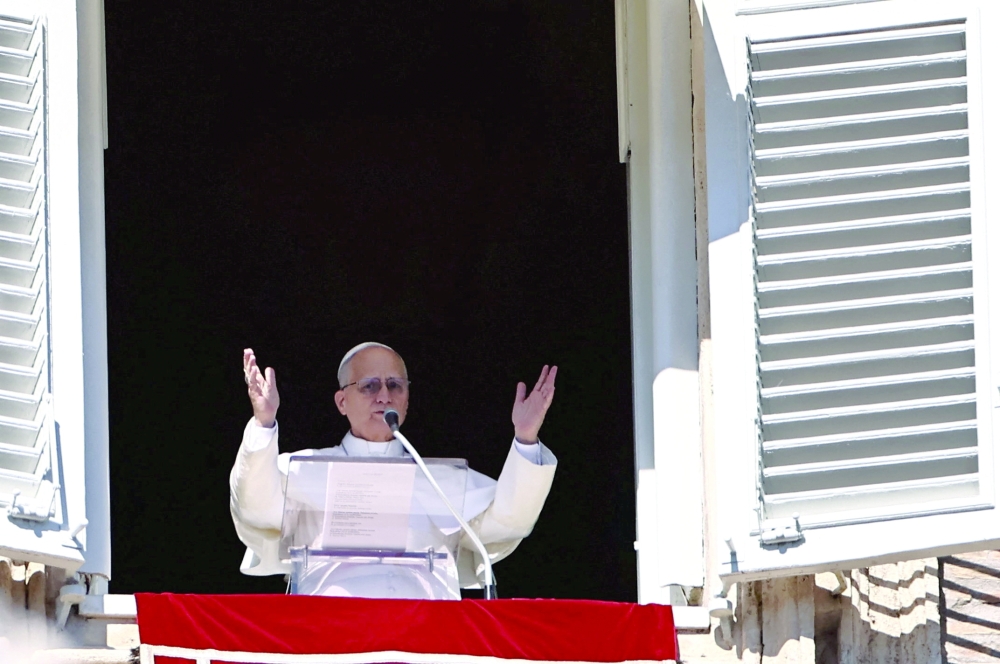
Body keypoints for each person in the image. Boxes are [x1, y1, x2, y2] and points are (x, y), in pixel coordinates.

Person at [229, 342, 558, 598]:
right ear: (342, 402)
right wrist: (264, 423)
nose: (384, 395)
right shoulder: (304, 469)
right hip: (331, 631)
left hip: (427, 634)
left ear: (407, 399)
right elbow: (256, 509)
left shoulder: (442, 478)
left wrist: (526, 439)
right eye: (369, 385)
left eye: (395, 385)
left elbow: (506, 521)